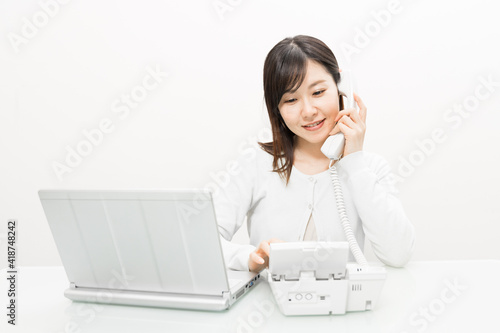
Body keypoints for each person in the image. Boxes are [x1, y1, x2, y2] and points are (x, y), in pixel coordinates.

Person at [214, 35, 415, 272]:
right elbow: (203, 242)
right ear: (276, 109)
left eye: (318, 92)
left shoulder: (369, 168)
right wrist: (249, 257)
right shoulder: (256, 164)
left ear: (342, 88)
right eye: (291, 99)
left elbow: (398, 254)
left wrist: (353, 162)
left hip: (342, 307)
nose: (308, 111)